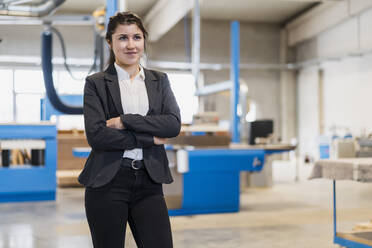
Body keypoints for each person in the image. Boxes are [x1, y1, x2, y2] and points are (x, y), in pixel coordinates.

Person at [78, 11, 181, 248]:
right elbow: (98, 136)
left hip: (149, 181)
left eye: (136, 37)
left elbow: (173, 124)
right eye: (122, 38)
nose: (131, 45)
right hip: (108, 182)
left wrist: (125, 120)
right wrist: (150, 138)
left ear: (144, 40)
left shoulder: (159, 80)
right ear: (110, 43)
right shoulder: (96, 84)